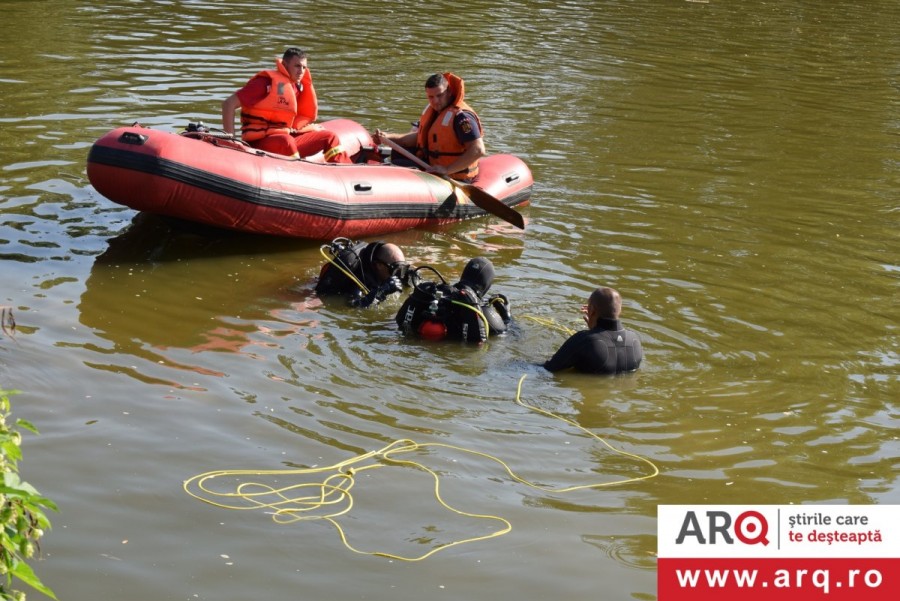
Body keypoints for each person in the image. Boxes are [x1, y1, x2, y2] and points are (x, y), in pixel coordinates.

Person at [221, 47, 350, 162]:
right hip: (259, 141)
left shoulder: (297, 87)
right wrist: (231, 141)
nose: (301, 71)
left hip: (284, 138)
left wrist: (306, 130)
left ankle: (347, 172)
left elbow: (287, 124)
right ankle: (298, 175)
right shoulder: (265, 83)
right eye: (297, 66)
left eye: (304, 67)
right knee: (286, 141)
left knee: (330, 137)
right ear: (284, 64)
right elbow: (228, 104)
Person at [373, 72, 485, 182]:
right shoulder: (436, 111)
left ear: (449, 92)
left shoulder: (461, 117)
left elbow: (478, 149)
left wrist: (446, 170)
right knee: (398, 153)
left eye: (439, 95)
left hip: (454, 175)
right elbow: (420, 138)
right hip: (433, 166)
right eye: (431, 97)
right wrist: (387, 137)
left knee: (400, 165)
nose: (435, 101)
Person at [395, 257, 510, 343]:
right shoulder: (484, 313)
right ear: (486, 285)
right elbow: (508, 337)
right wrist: (506, 316)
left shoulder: (436, 294)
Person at [543, 287, 643, 374]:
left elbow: (550, 368)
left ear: (592, 310)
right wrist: (594, 330)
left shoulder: (584, 340)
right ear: (620, 310)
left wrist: (592, 333)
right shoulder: (635, 339)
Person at [316, 238, 410, 307]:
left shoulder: (384, 264)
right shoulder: (359, 276)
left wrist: (411, 278)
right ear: (379, 265)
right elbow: (353, 307)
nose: (398, 275)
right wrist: (380, 293)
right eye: (395, 271)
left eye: (402, 270)